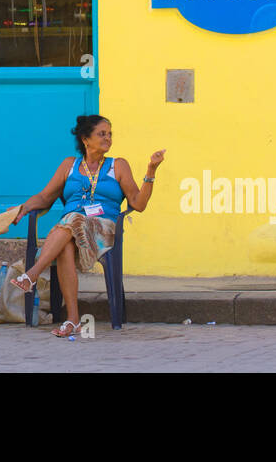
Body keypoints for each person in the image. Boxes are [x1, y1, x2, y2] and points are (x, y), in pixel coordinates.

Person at [10, 115, 165, 337]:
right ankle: (73, 320)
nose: (108, 138)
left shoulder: (118, 166)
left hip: (102, 228)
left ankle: (32, 273)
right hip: (71, 229)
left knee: (71, 220)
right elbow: (45, 197)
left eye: (110, 134)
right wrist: (22, 208)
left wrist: (151, 170)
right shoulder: (68, 166)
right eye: (102, 134)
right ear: (85, 139)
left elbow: (138, 204)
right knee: (67, 238)